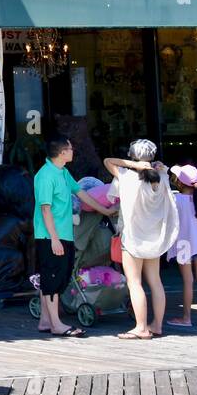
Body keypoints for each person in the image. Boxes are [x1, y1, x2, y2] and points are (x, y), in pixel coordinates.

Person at [33, 136, 114, 337]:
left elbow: (81, 193)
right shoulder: (46, 176)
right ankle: (56, 324)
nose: (73, 150)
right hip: (51, 236)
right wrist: (54, 239)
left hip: (63, 234)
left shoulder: (63, 172)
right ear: (62, 153)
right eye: (70, 148)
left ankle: (45, 320)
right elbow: (45, 209)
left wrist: (105, 211)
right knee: (53, 279)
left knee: (54, 278)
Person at [105, 140, 179, 341]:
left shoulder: (127, 176)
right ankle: (157, 325)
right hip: (154, 238)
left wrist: (133, 165)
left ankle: (141, 327)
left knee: (135, 283)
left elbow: (108, 161)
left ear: (132, 155)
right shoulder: (162, 176)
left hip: (133, 238)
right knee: (156, 282)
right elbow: (165, 173)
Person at [165, 165, 197, 329]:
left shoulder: (175, 199)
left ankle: (186, 318)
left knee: (188, 280)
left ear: (179, 182)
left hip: (183, 244)